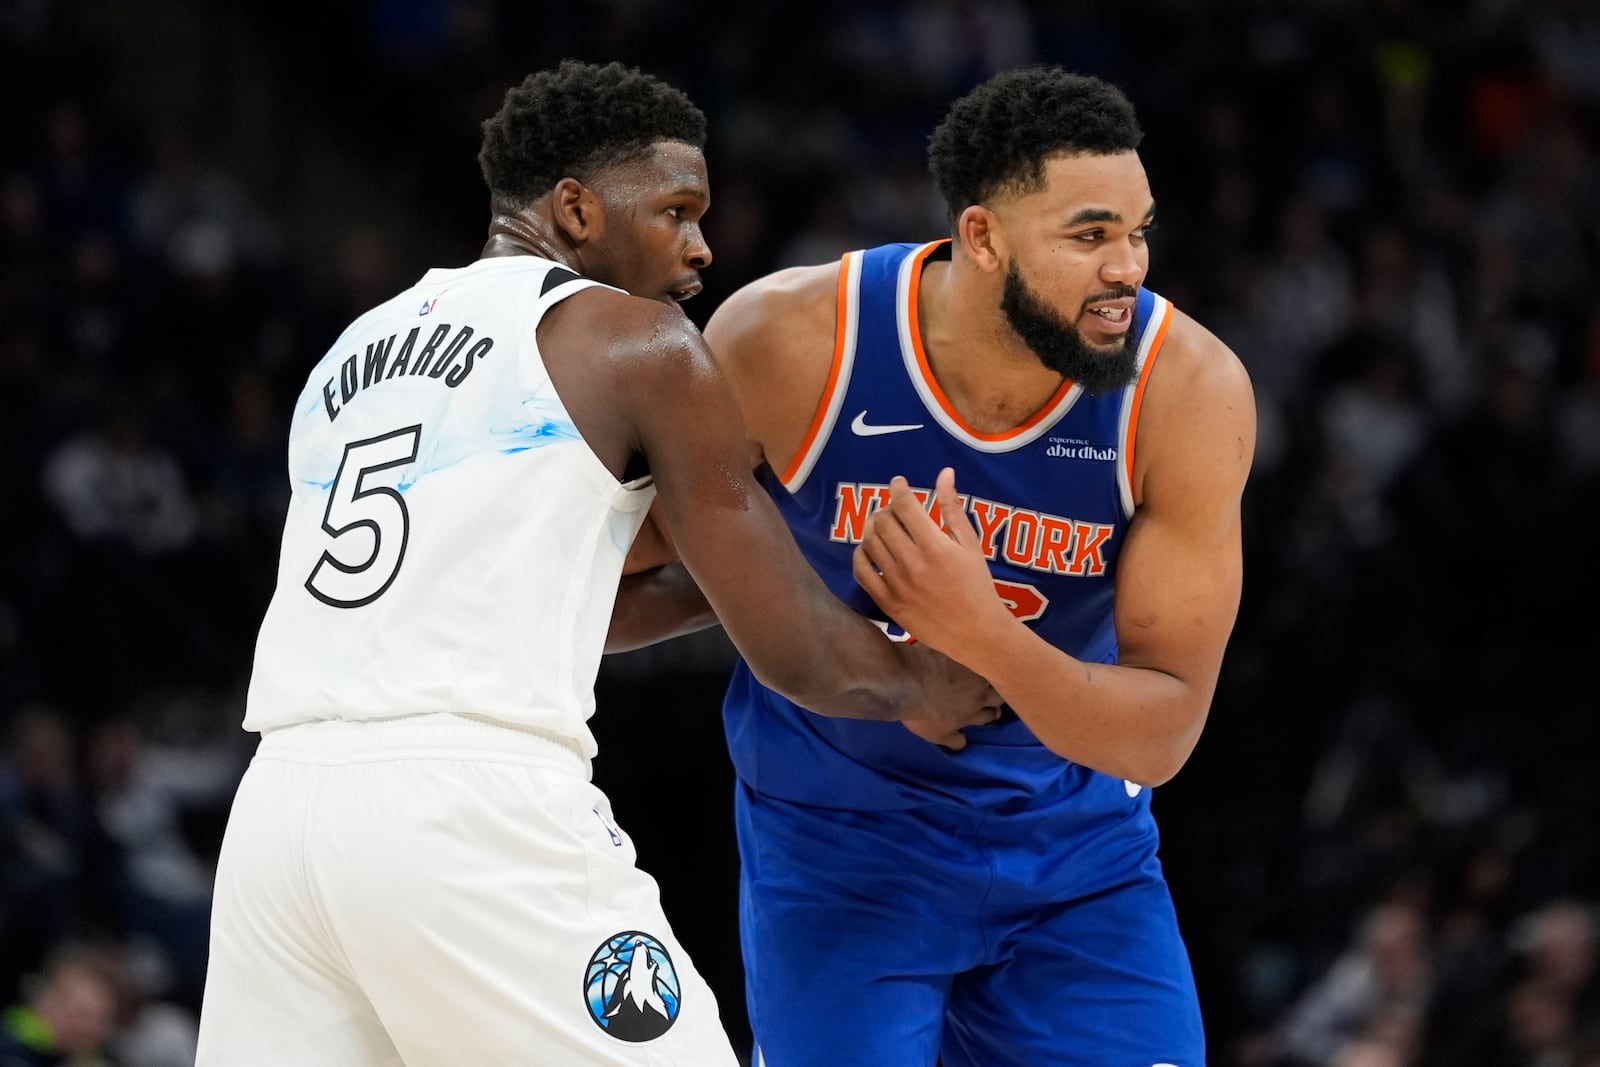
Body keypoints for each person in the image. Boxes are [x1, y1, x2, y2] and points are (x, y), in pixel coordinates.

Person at [193, 59, 995, 1067]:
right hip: (469, 808)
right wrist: (919, 679)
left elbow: (546, 602)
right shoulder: (638, 341)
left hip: (280, 813)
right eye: (674, 210)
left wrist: (757, 577)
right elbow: (805, 656)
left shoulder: (353, 353)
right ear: (574, 208)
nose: (702, 246)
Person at [701, 65, 1257, 1065]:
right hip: (840, 842)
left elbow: (1164, 729)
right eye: (1089, 235)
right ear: (983, 234)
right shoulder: (790, 341)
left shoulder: (1186, 390)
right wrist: (872, 669)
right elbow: (655, 578)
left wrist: (981, 636)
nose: (1127, 265)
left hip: (1076, 852)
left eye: (1139, 231)